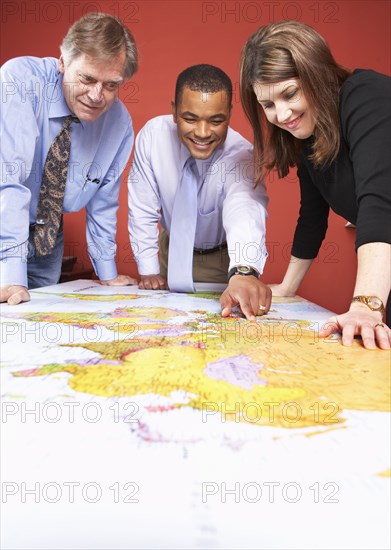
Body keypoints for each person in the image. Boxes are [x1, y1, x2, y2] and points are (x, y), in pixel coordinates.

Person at [240, 20, 391, 349]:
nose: (281, 114)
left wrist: (366, 306)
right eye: (268, 104)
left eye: (289, 93)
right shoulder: (307, 136)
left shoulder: (366, 96)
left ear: (316, 72)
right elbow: (311, 218)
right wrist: (287, 287)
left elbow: (379, 205)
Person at [0, 13, 139, 305]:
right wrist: (11, 274)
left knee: (33, 328)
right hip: (4, 216)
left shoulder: (120, 124)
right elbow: (9, 181)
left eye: (111, 85)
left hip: (48, 236)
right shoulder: (20, 82)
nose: (96, 95)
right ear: (62, 61)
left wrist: (107, 271)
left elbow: (104, 202)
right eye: (87, 79)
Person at [128, 64, 270, 320]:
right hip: (168, 254)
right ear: (174, 111)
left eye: (216, 121)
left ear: (229, 113)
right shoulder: (152, 137)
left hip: (221, 259)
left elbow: (245, 210)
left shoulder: (242, 155)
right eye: (190, 119)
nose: (202, 133)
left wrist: (244, 271)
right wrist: (148, 270)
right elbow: (141, 206)